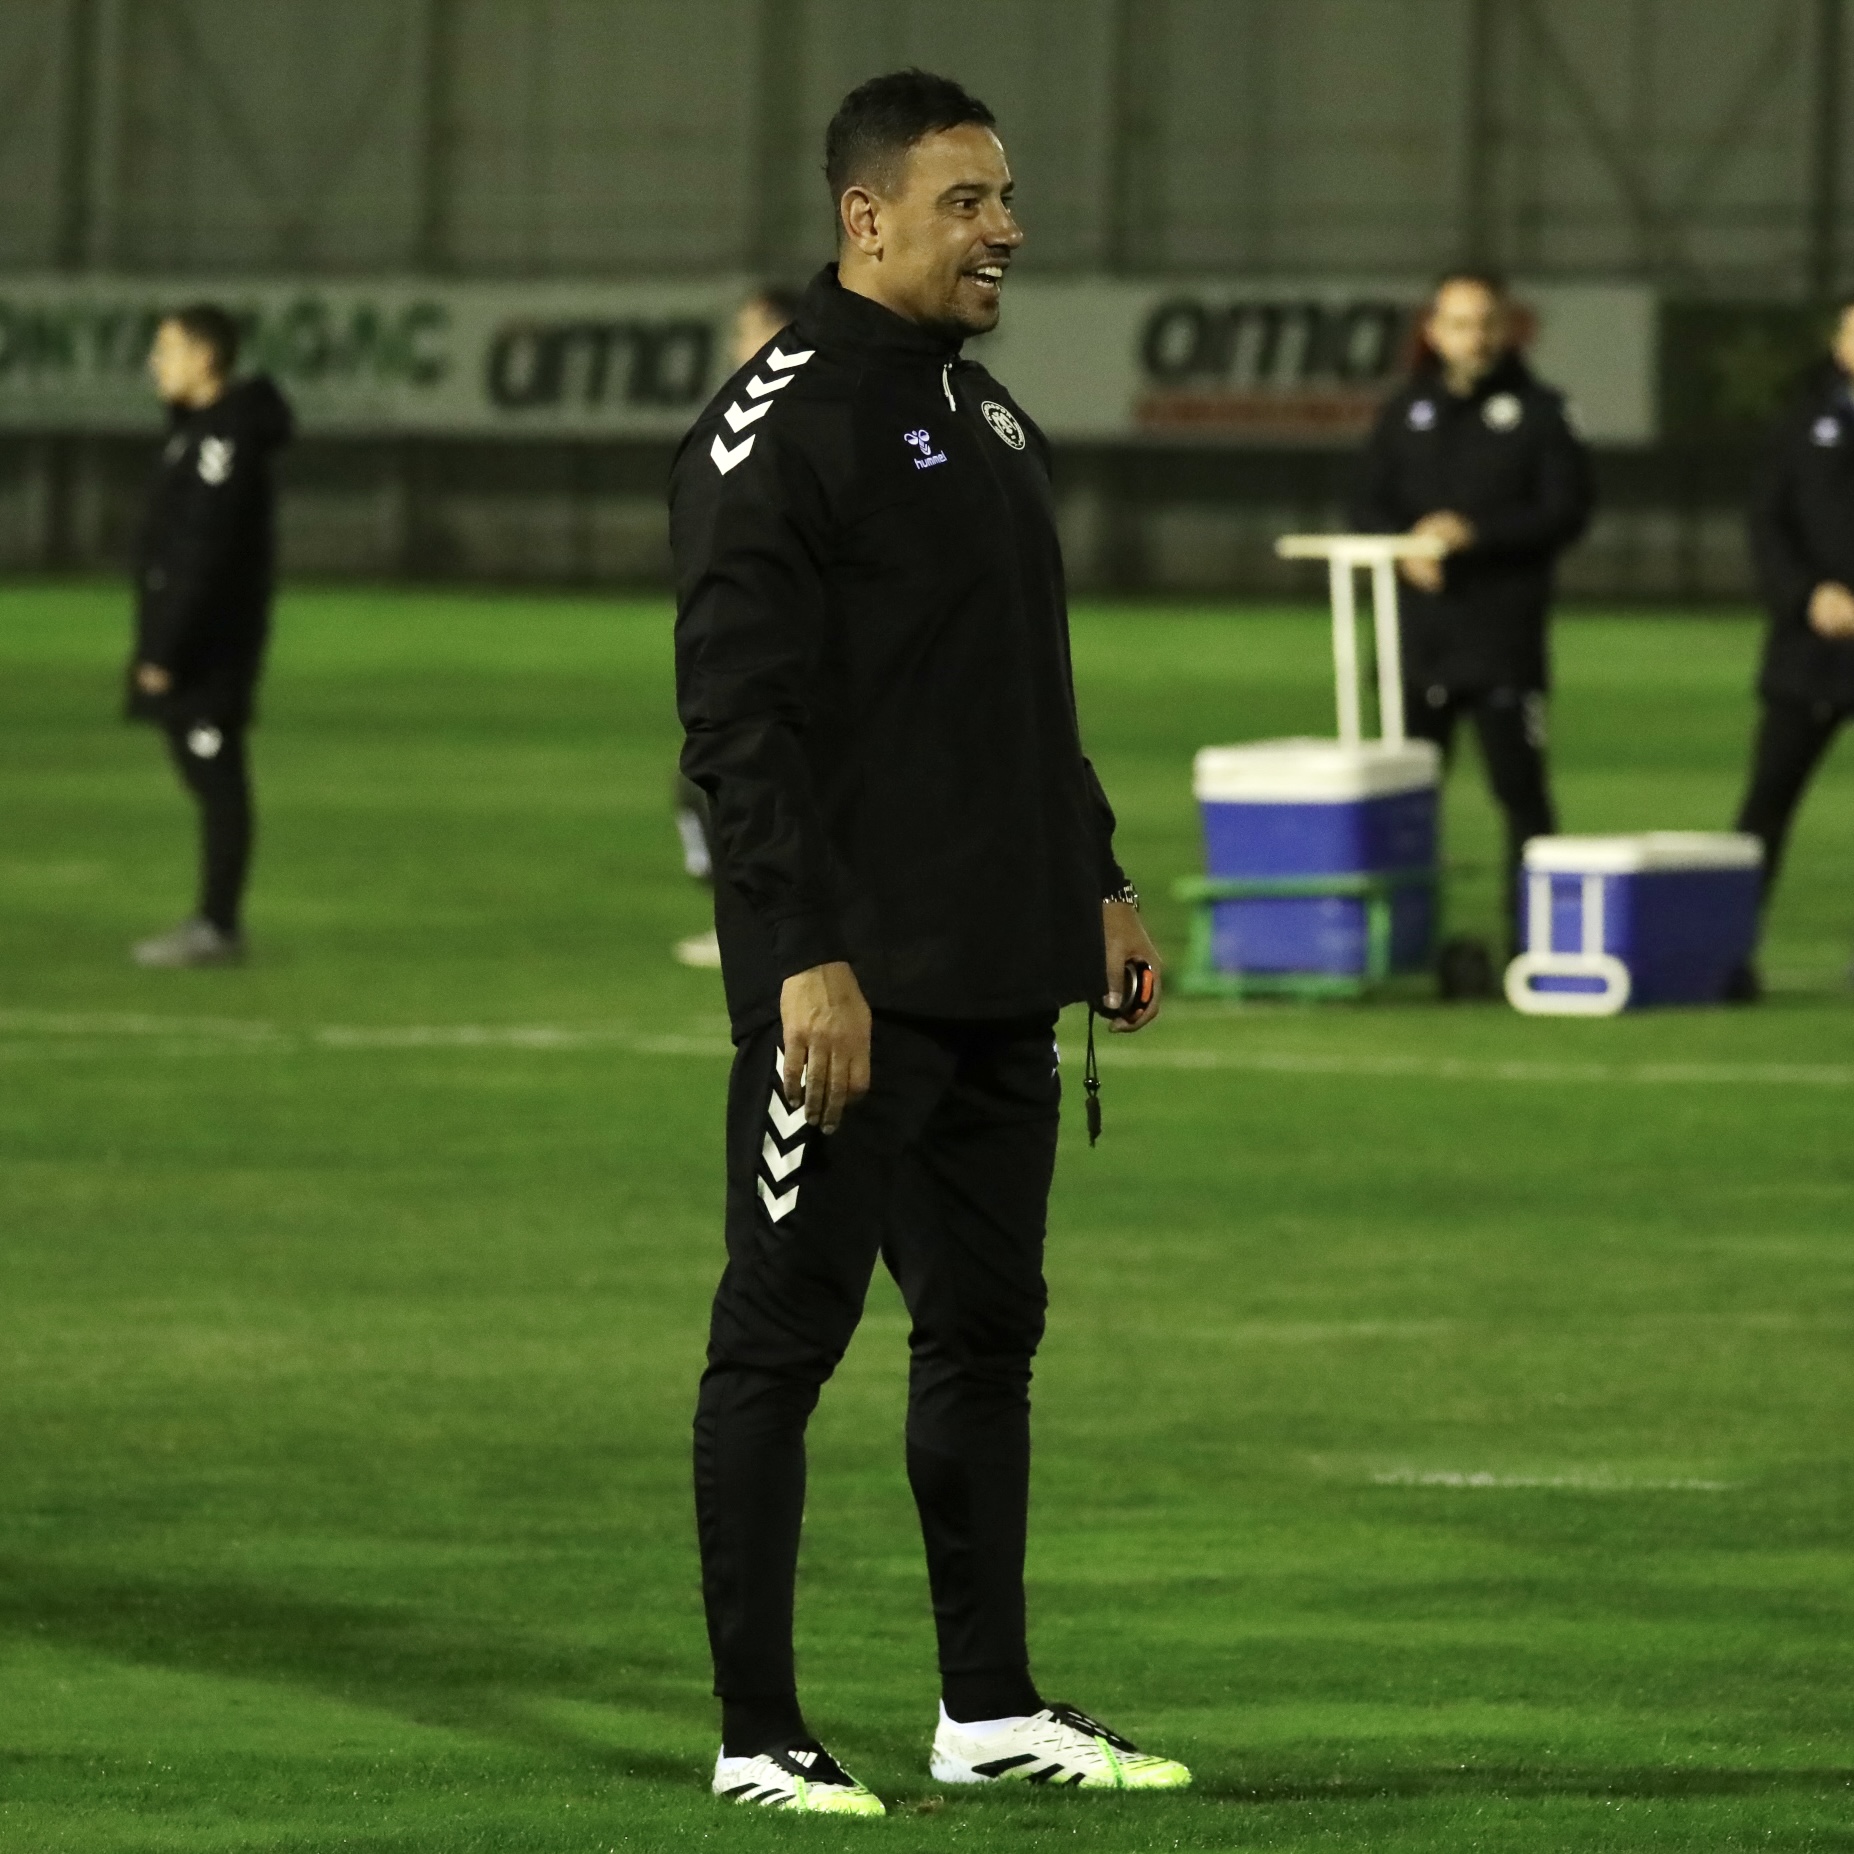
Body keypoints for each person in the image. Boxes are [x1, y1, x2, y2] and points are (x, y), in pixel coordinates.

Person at [670, 69, 1186, 1815]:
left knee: (983, 1339)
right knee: (777, 1346)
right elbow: (737, 727)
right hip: (851, 994)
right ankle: (757, 1732)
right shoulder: (773, 427)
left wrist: (1093, 876)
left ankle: (988, 1707)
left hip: (996, 976)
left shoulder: (983, 412)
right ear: (865, 213)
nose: (1005, 231)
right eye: (968, 201)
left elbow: (1015, 692)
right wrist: (798, 956)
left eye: (1005, 198)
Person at [1353, 271, 1593, 955]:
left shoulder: (1541, 413)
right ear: (1434, 332)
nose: (1475, 338)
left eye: (1486, 323)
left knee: (1521, 795)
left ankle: (1535, 943)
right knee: (1402, 802)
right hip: (1417, 641)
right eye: (1459, 324)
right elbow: (1364, 501)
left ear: (1508, 328)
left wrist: (1475, 535)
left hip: (1502, 641)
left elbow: (1567, 510)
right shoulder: (1406, 411)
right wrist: (1405, 546)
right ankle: (1403, 944)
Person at [127, 304, 293, 967]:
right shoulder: (197, 433)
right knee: (207, 771)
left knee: (218, 776)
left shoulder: (223, 441)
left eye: (166, 350)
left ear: (204, 358)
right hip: (200, 639)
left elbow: (204, 552)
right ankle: (216, 922)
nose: (154, 363)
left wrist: (164, 650)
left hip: (210, 647)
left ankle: (217, 926)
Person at [672, 283, 803, 971]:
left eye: (746, 329)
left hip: (781, 650)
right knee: (711, 780)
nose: (734, 345)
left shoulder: (783, 417)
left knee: (730, 778)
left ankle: (763, 928)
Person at [1733, 295, 1854, 989]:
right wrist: (1807, 595)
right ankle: (1730, 950)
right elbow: (1767, 523)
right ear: (1839, 341)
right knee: (1768, 802)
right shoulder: (1799, 421)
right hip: (1808, 652)